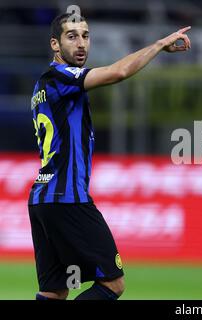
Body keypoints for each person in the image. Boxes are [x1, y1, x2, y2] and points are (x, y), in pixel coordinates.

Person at [28, 12, 191, 300]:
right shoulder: (59, 77)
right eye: (72, 36)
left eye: (86, 36)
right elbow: (118, 72)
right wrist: (157, 46)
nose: (81, 44)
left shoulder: (42, 86)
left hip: (43, 200)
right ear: (55, 44)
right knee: (112, 284)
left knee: (55, 290)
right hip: (68, 200)